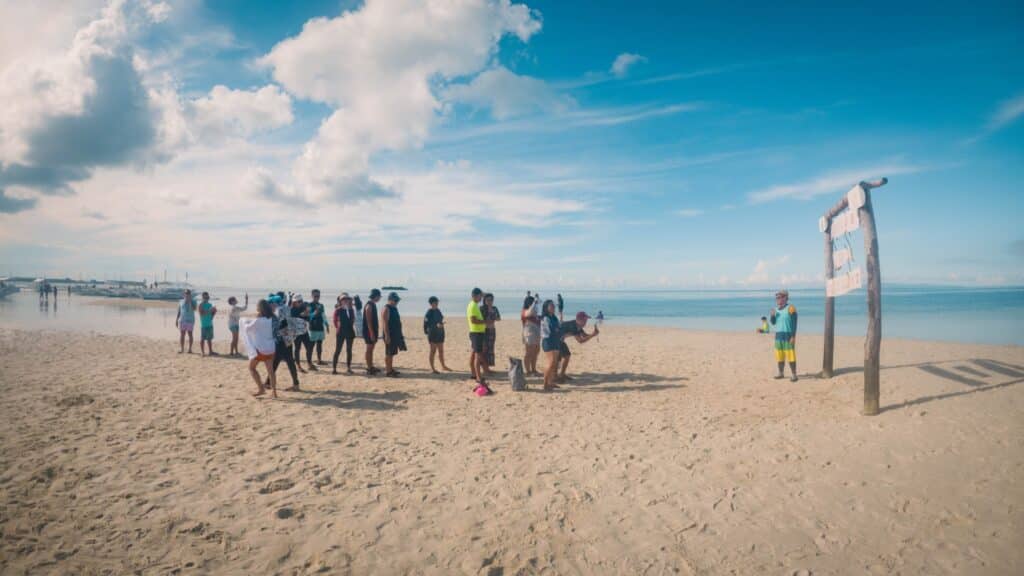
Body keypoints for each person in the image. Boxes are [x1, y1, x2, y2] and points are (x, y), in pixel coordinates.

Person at [265, 293, 301, 391]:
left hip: (281, 340)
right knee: (283, 361)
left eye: (270, 303)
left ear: (274, 303)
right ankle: (268, 382)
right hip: (288, 338)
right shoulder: (286, 307)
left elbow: (278, 325)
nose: (269, 305)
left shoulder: (278, 310)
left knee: (284, 361)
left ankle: (295, 384)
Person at [243, 299, 278, 399]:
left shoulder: (258, 320)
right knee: (271, 371)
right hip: (271, 348)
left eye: (257, 306)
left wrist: (245, 322)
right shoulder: (271, 318)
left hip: (260, 350)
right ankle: (274, 392)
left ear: (260, 308)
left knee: (251, 368)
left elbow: (247, 328)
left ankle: (261, 389)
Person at [557, 311, 599, 383]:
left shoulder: (578, 325)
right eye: (585, 320)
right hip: (555, 340)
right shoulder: (573, 326)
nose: (586, 322)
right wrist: (592, 335)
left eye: (586, 320)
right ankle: (558, 376)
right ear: (579, 320)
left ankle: (561, 374)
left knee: (564, 357)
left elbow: (584, 335)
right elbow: (580, 341)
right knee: (562, 358)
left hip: (559, 340)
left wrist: (593, 333)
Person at [770, 290, 799, 382]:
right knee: (780, 356)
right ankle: (781, 373)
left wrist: (793, 336)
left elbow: (794, 323)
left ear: (785, 298)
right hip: (778, 336)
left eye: (779, 297)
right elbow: (773, 323)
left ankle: (794, 375)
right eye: (777, 297)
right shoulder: (776, 309)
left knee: (791, 356)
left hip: (788, 335)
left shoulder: (791, 308)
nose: (777, 299)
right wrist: (772, 316)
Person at [467, 287, 489, 388]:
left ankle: (473, 374)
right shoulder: (472, 306)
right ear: (475, 296)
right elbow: (473, 320)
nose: (481, 298)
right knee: (478, 356)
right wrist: (485, 322)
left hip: (477, 332)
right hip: (476, 333)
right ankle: (478, 378)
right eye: (480, 296)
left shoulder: (475, 305)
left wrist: (483, 295)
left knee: (473, 354)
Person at [381, 292, 406, 377]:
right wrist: (387, 336)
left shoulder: (394, 308)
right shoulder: (386, 308)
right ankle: (388, 371)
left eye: (397, 300)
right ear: (390, 299)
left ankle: (391, 369)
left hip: (395, 334)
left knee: (392, 353)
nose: (397, 302)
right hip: (389, 334)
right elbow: (385, 323)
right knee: (389, 353)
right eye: (395, 300)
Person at [424, 296, 451, 373]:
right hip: (432, 334)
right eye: (436, 302)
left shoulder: (438, 310)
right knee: (433, 351)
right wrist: (435, 326)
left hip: (440, 333)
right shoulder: (429, 312)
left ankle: (443, 366)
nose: (437, 303)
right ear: (431, 303)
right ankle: (432, 368)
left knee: (441, 351)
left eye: (437, 302)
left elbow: (440, 320)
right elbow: (426, 324)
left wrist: (441, 324)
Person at [333, 293, 357, 374]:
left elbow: (353, 320)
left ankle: (349, 368)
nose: (345, 300)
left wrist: (349, 325)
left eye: (347, 299)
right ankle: (334, 369)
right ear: (340, 301)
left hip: (350, 332)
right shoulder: (338, 310)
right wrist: (339, 327)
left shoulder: (351, 310)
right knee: (338, 350)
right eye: (343, 299)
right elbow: (335, 321)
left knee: (349, 350)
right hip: (340, 332)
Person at [540, 300, 561, 391]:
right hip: (548, 341)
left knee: (555, 364)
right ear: (546, 308)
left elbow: (558, 328)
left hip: (555, 341)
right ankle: (545, 383)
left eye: (553, 306)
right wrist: (558, 330)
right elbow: (552, 330)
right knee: (551, 362)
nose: (553, 307)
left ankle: (551, 382)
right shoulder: (545, 318)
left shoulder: (554, 317)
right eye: (551, 306)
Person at [290, 295, 313, 372]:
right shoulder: (292, 309)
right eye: (299, 301)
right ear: (294, 302)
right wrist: (302, 315)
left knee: (309, 347)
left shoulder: (303, 308)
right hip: (296, 333)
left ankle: (309, 364)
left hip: (304, 331)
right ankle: (298, 365)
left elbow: (308, 319)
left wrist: (307, 314)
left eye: (301, 301)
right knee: (297, 349)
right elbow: (292, 318)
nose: (300, 303)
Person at [362, 289, 382, 375]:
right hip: (369, 331)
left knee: (371, 349)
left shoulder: (372, 304)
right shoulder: (369, 306)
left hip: (372, 330)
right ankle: (369, 368)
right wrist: (372, 333)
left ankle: (371, 366)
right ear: (376, 296)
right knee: (369, 349)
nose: (380, 298)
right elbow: (368, 321)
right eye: (379, 297)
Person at [521, 295, 542, 376]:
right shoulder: (525, 311)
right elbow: (528, 313)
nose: (535, 304)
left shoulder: (534, 312)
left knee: (536, 352)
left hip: (536, 333)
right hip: (529, 334)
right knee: (529, 353)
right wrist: (534, 303)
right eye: (532, 302)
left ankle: (533, 369)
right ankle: (528, 371)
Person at [480, 293, 500, 374]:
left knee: (490, 349)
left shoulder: (494, 308)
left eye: (491, 300)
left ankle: (487, 367)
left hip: (492, 330)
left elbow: (499, 318)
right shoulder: (481, 308)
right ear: (484, 300)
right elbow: (479, 320)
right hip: (484, 330)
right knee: (484, 349)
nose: (490, 302)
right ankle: (485, 368)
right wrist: (487, 319)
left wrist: (494, 317)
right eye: (488, 300)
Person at [307, 289, 328, 365]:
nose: (317, 297)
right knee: (311, 346)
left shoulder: (321, 305)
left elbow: (323, 316)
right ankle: (309, 362)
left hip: (320, 327)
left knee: (319, 345)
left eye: (318, 296)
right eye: (315, 296)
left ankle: (319, 360)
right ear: (312, 296)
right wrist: (314, 313)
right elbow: (308, 317)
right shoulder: (309, 305)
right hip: (313, 328)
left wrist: (327, 324)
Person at [175, 289, 197, 354]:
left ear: (190, 294)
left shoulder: (193, 301)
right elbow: (179, 311)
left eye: (188, 294)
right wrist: (176, 319)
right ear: (184, 294)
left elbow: (194, 309)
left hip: (190, 320)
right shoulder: (181, 301)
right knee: (182, 335)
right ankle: (182, 349)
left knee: (190, 334)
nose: (187, 295)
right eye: (186, 293)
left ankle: (190, 349)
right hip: (182, 320)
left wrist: (190, 301)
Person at [198, 292, 218, 356]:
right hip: (203, 324)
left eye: (207, 297)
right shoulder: (200, 305)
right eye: (205, 297)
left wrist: (214, 312)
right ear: (202, 298)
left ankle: (210, 351)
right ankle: (202, 352)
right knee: (202, 338)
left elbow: (212, 315)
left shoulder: (210, 304)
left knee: (209, 339)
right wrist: (210, 310)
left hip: (210, 323)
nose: (206, 299)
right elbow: (201, 313)